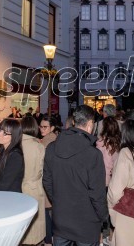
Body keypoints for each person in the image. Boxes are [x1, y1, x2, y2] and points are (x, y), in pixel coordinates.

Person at [43, 105, 108, 246]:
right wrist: (104, 217)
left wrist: (59, 201)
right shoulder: (93, 154)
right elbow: (97, 193)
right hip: (87, 221)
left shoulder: (52, 148)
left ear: (74, 122)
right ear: (90, 124)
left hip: (61, 219)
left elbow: (47, 180)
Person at [96, 116, 122, 244]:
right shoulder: (119, 144)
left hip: (101, 180)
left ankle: (100, 239)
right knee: (114, 210)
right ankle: (112, 238)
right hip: (115, 181)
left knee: (100, 210)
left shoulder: (100, 144)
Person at [20, 116, 46, 245]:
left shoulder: (15, 144)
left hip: (19, 188)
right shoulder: (38, 146)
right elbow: (43, 169)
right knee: (35, 227)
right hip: (35, 187)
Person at [39, 114, 58, 246]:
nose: (42, 129)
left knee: (46, 213)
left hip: (47, 180)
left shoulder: (47, 141)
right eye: (40, 126)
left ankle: (48, 241)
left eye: (45, 127)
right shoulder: (53, 138)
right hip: (54, 180)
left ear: (52, 128)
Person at [0, 119, 24, 192]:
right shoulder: (4, 150)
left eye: (5, 133)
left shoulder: (15, 156)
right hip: (4, 195)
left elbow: (5, 184)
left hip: (11, 198)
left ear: (14, 136)